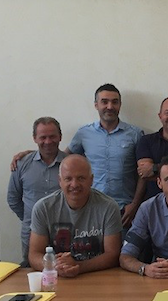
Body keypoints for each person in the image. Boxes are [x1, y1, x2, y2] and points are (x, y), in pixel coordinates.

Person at [10, 84, 144, 229]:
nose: (110, 106)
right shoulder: (84, 133)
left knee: (122, 245)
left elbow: (143, 173)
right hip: (92, 209)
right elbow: (63, 158)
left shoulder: (135, 134)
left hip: (124, 211)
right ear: (96, 105)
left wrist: (135, 204)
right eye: (104, 101)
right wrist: (34, 153)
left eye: (114, 102)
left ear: (120, 105)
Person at [29, 155, 122, 277]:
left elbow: (113, 255)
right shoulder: (43, 208)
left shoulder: (109, 207)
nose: (74, 184)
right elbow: (34, 254)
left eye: (81, 178)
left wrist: (78, 267)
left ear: (91, 180)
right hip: (57, 278)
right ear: (60, 181)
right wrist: (55, 266)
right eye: (68, 179)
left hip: (97, 277)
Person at [8, 117, 68, 263]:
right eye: (43, 137)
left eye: (52, 136)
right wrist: (30, 218)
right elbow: (13, 198)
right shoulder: (22, 164)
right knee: (32, 273)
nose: (48, 141)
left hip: (65, 234)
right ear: (35, 138)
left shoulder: (70, 164)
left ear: (60, 137)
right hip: (30, 233)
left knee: (65, 271)